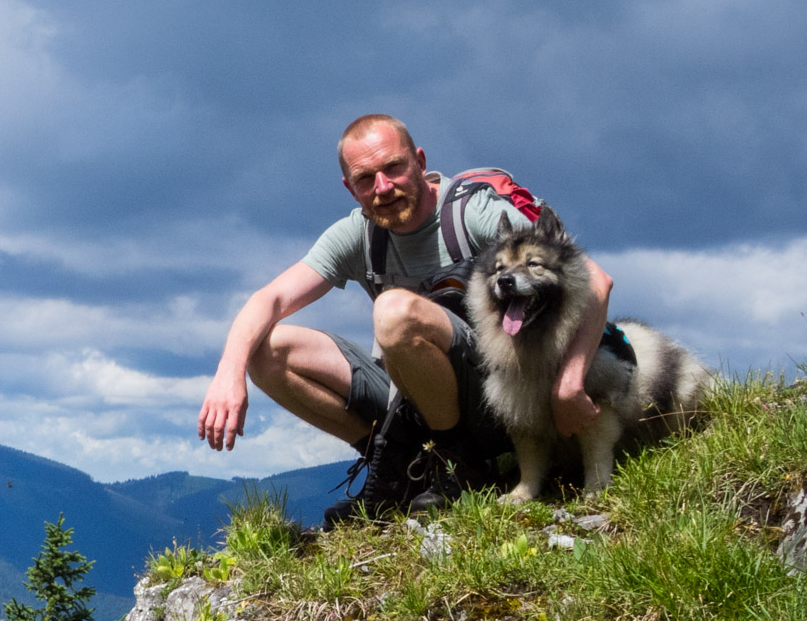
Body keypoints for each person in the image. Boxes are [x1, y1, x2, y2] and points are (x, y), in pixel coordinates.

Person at [195, 114, 613, 526]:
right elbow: (271, 297)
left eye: (393, 167)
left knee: (393, 310)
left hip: (499, 394)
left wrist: (569, 385)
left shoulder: (472, 214)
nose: (383, 187)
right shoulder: (357, 234)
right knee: (265, 352)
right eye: (365, 178)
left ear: (419, 161)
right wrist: (229, 374)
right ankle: (399, 464)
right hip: (414, 397)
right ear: (349, 187)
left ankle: (460, 468)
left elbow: (595, 281)